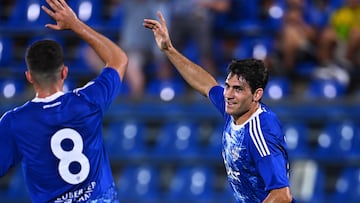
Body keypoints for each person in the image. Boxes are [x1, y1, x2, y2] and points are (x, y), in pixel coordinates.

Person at [144, 12, 296, 203]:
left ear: (256, 95)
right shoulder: (233, 107)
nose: (229, 94)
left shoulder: (261, 132)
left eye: (238, 89)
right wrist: (169, 49)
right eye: (228, 86)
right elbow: (207, 85)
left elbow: (282, 195)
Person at [0, 0, 128, 202]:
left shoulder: (14, 122)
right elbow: (118, 59)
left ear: (29, 76)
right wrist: (75, 25)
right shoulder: (88, 101)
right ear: (65, 72)